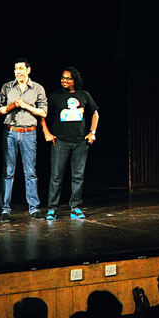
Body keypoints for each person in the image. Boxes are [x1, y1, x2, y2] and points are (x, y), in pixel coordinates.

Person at [41, 66, 98, 220]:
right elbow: (43, 115)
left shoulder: (84, 95)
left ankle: (76, 207)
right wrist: (46, 133)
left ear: (75, 81)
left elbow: (94, 113)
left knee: (78, 176)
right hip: (60, 142)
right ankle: (52, 208)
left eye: (68, 78)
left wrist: (92, 132)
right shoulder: (55, 96)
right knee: (56, 176)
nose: (64, 80)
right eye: (63, 77)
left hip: (80, 142)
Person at [0, 57, 47, 221]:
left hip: (29, 133)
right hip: (10, 132)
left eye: (21, 69)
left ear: (28, 70)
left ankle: (34, 208)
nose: (18, 72)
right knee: (8, 171)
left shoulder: (37, 88)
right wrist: (12, 106)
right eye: (16, 69)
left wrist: (24, 106)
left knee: (30, 172)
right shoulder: (7, 87)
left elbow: (43, 112)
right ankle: (5, 209)